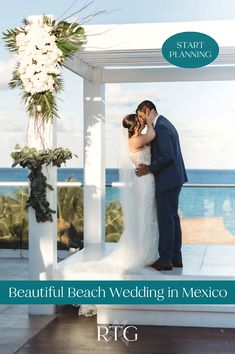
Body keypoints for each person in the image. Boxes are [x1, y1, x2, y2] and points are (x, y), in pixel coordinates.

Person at [136, 100, 188, 271]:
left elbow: (168, 155)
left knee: (166, 220)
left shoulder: (161, 127)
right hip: (175, 178)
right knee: (173, 218)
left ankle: (165, 259)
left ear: (149, 111)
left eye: (142, 115)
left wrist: (149, 168)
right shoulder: (166, 123)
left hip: (167, 180)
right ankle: (176, 257)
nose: (142, 120)